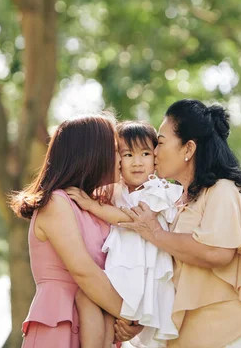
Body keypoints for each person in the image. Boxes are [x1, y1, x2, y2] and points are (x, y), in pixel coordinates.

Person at [115, 100, 241, 348]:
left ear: (188, 148)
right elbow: (166, 274)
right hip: (189, 338)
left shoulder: (224, 190)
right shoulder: (176, 201)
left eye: (161, 142)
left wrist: (155, 233)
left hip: (232, 336)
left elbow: (217, 252)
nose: (154, 152)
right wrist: (138, 317)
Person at [9, 113, 125, 348]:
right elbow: (83, 271)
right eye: (114, 149)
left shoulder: (96, 207)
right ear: (93, 153)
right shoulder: (56, 202)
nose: (121, 158)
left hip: (97, 323)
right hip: (59, 322)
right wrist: (132, 314)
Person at [67, 121, 182, 348]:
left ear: (155, 157)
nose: (137, 162)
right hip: (121, 268)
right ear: (117, 160)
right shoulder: (114, 192)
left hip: (141, 272)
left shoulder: (157, 189)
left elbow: (131, 219)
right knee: (97, 307)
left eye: (145, 153)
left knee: (88, 297)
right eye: (128, 154)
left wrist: (91, 205)